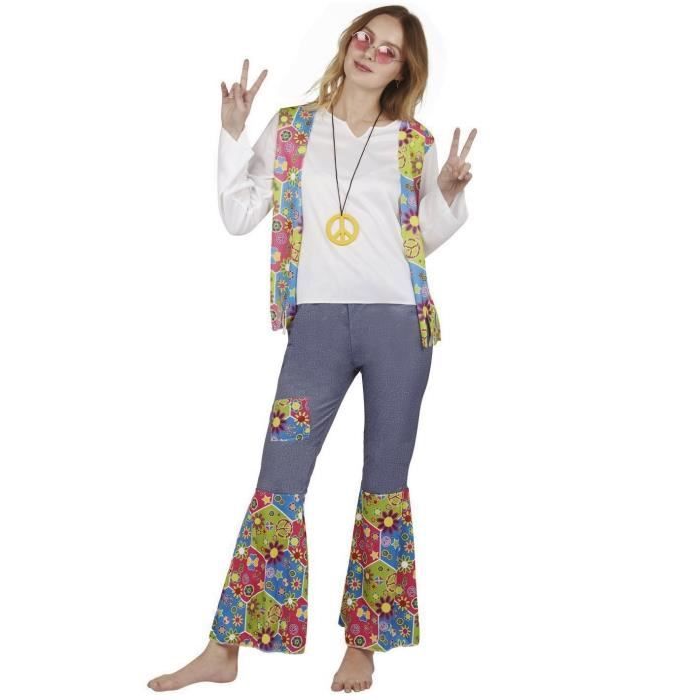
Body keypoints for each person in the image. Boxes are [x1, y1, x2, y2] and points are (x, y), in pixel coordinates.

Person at [148, 6, 476, 694]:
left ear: (403, 70)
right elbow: (240, 214)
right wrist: (232, 133)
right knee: (280, 477)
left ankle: (363, 646)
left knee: (384, 482)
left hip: (400, 328)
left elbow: (415, 242)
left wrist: (444, 193)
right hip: (317, 328)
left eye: (388, 49)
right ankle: (224, 648)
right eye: (365, 36)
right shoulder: (293, 128)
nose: (370, 51)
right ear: (347, 43)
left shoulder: (412, 142)